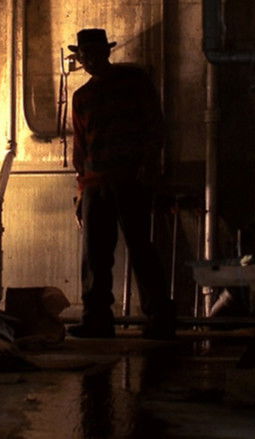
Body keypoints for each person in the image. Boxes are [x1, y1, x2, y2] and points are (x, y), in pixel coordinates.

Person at [67, 28, 175, 339]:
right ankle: (97, 318)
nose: (88, 60)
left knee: (139, 248)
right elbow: (80, 147)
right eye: (84, 56)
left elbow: (154, 126)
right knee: (96, 255)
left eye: (93, 53)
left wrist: (148, 167)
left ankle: (158, 316)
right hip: (96, 182)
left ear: (106, 52)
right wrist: (82, 189)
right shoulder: (82, 96)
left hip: (129, 178)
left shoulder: (133, 81)